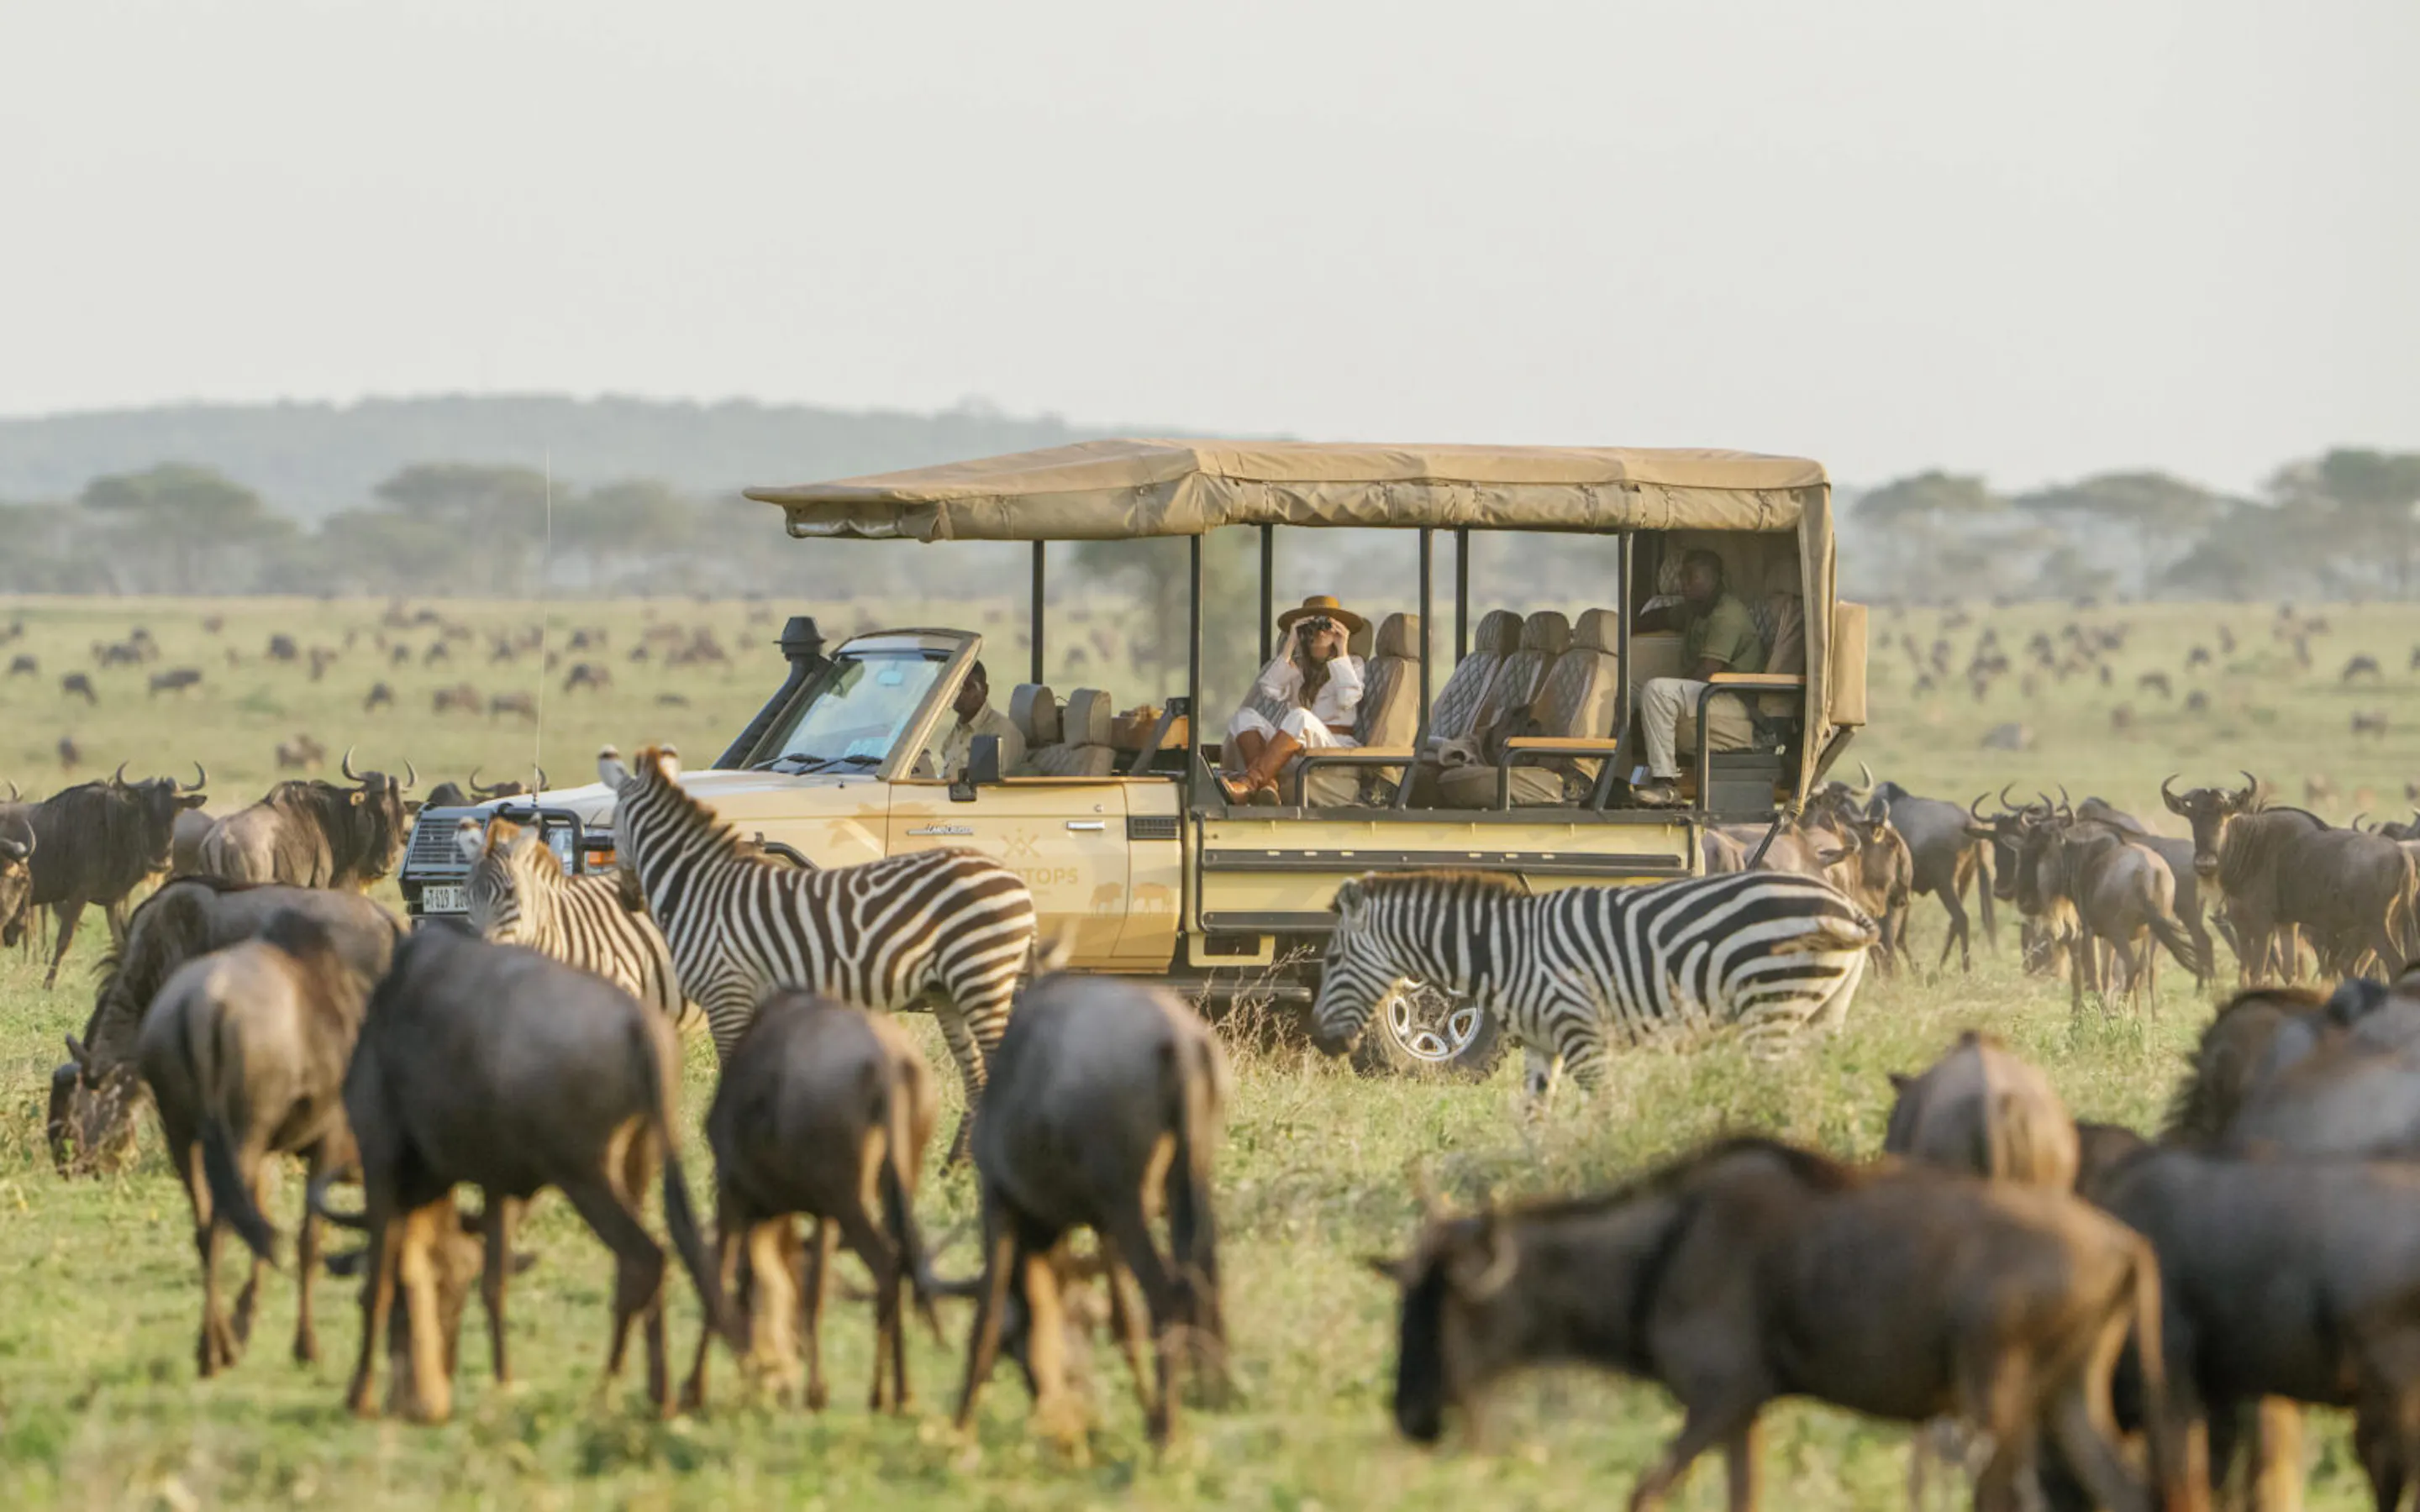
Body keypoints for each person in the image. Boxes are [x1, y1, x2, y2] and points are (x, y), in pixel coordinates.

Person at [1631, 549, 1764, 807]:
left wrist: (1667, 697)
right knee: (1628, 689)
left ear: (1714, 578)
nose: (1684, 583)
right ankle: (1622, 776)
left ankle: (1666, 783)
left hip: (1730, 699)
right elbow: (1660, 617)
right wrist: (1625, 627)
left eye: (1692, 577)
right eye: (1682, 576)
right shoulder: (1697, 608)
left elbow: (1707, 671)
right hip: (1707, 693)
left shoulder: (1727, 615)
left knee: (1658, 691)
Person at [1219, 595, 1366, 805]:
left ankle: (1250, 784)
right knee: (1245, 717)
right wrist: (1290, 643)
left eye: (1327, 625)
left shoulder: (1353, 663)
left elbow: (1348, 699)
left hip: (1333, 746)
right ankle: (1268, 786)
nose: (1321, 631)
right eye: (1312, 626)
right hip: (1295, 749)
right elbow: (1269, 689)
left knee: (1301, 717)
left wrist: (1342, 649)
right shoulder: (1297, 665)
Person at [938, 661, 1026, 780]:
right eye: (955, 688)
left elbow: (995, 789)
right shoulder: (958, 730)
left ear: (985, 690)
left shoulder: (1001, 732)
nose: (960, 694)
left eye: (968, 688)